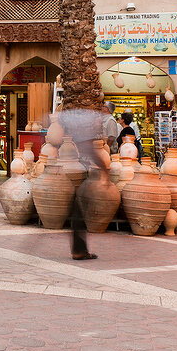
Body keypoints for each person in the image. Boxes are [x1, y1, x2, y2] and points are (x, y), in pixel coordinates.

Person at [56, 108, 104, 261]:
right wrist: (105, 171)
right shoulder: (85, 134)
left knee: (78, 215)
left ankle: (79, 250)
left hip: (69, 175)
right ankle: (79, 251)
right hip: (77, 176)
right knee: (79, 215)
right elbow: (94, 153)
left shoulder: (74, 130)